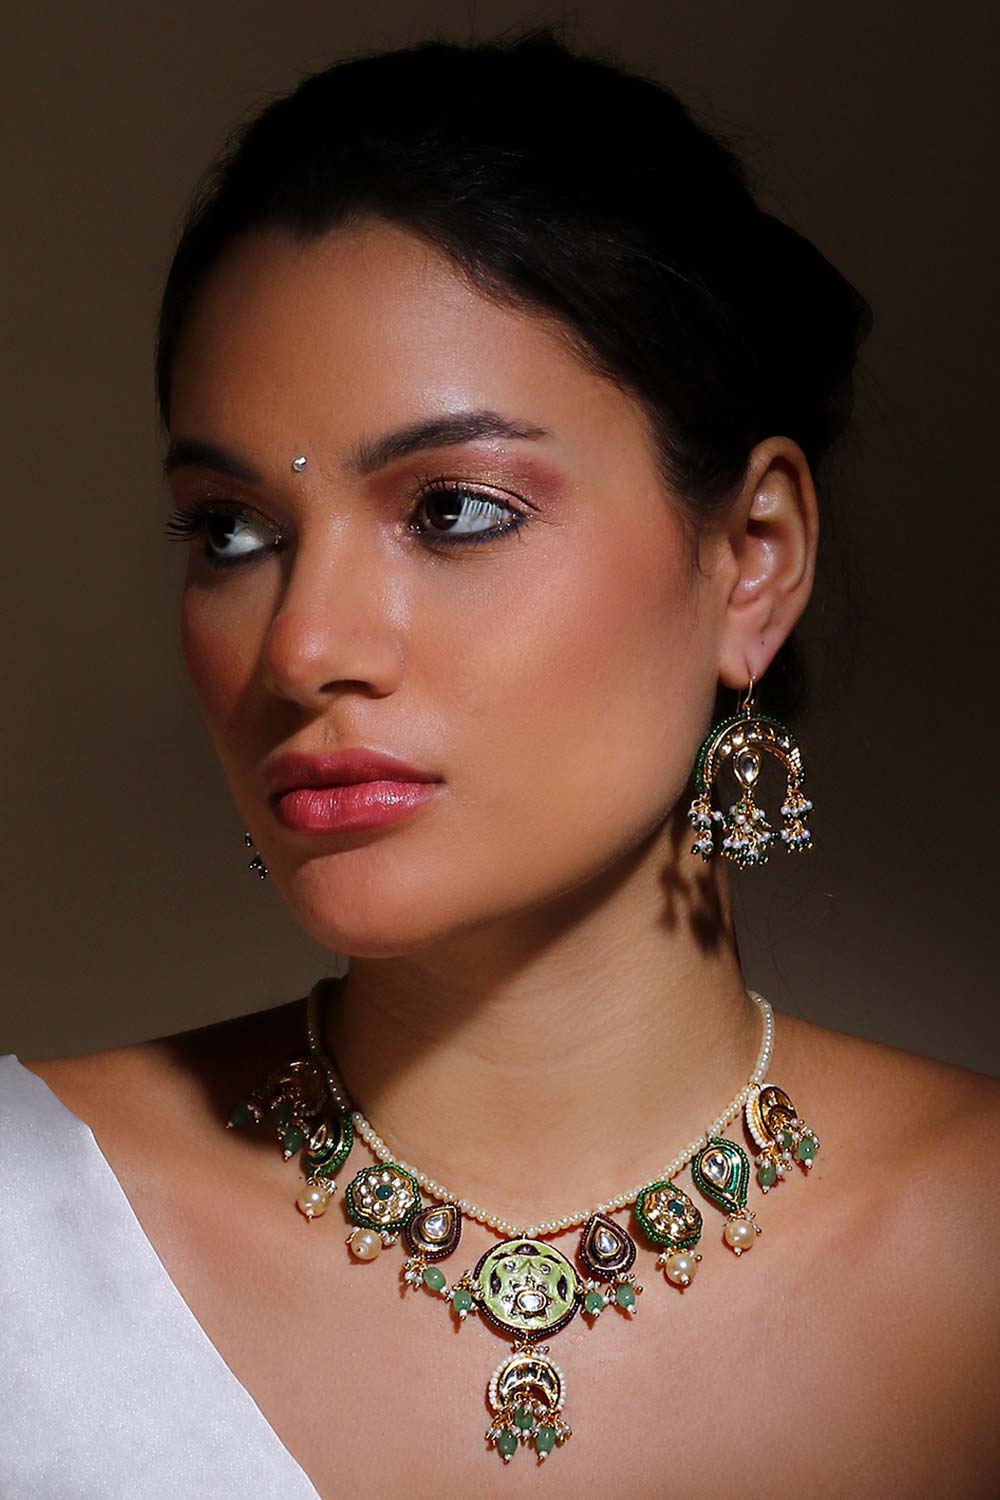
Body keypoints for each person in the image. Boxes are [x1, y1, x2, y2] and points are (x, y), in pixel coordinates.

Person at [3, 25, 998, 1499]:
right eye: (232, 530)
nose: (302, 647)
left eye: (455, 509)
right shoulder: (25, 1233)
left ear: (753, 561)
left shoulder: (978, 1263)